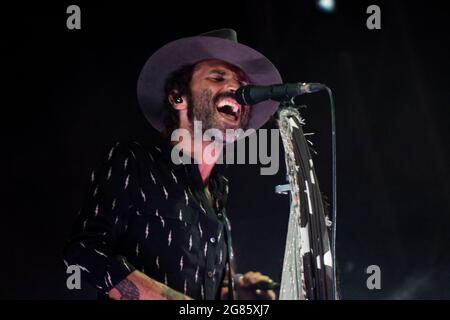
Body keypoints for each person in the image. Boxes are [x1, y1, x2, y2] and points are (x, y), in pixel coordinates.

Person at [63, 29, 282, 300]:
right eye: (218, 77)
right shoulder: (135, 160)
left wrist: (235, 292)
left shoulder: (219, 190)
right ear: (178, 97)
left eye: (243, 82)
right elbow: (83, 253)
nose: (238, 89)